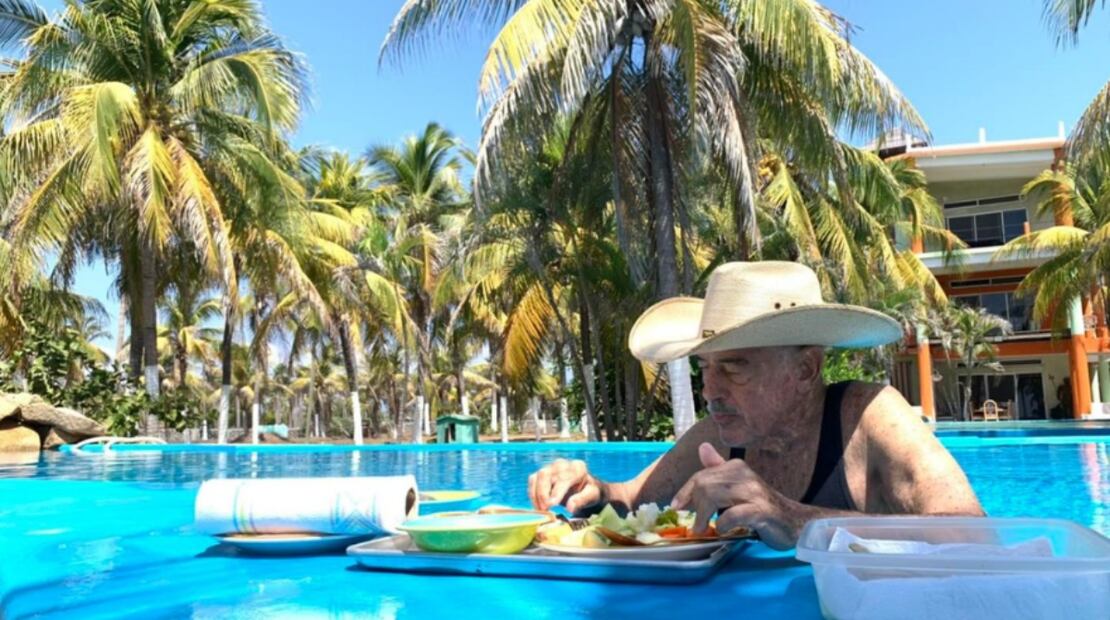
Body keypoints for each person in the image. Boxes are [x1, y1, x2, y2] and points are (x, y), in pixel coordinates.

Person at [527, 261, 984, 549]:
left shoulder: (870, 417)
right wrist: (590, 491)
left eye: (734, 367)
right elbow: (631, 500)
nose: (710, 390)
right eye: (704, 367)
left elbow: (973, 534)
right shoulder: (721, 436)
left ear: (806, 370)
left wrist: (796, 519)